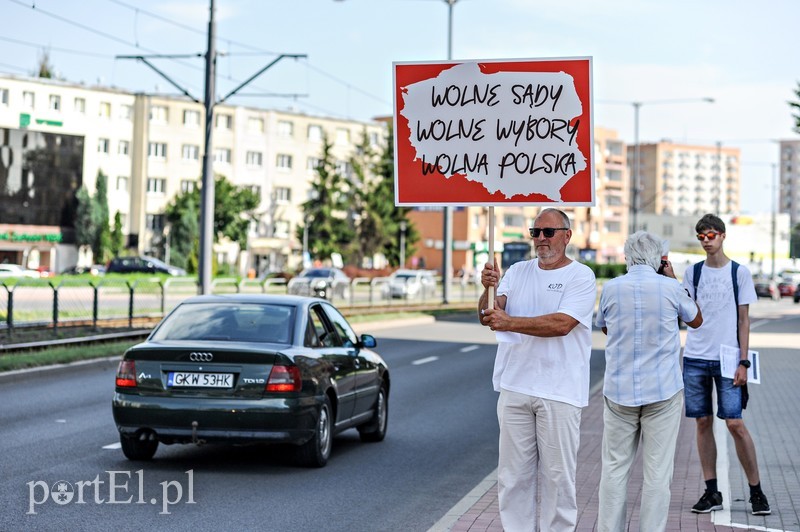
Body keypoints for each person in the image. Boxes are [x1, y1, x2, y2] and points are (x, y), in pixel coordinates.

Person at [478, 208, 597, 532]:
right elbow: (490, 314)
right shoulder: (517, 271)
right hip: (515, 385)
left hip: (560, 391)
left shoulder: (581, 276)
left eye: (548, 232)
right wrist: (486, 289)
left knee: (558, 478)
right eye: (535, 232)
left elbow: (562, 324)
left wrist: (510, 321)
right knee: (513, 477)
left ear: (567, 235)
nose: (540, 239)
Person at [595, 231, 703, 532]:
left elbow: (603, 326)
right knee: (657, 475)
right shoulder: (670, 288)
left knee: (615, 469)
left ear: (627, 257)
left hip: (618, 391)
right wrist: (673, 279)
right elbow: (696, 320)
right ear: (660, 259)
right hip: (663, 392)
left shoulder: (612, 288)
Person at [677, 213, 771, 515]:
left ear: (723, 236)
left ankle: (756, 491)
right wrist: (668, 278)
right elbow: (685, 310)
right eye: (701, 236)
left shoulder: (738, 273)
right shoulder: (693, 272)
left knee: (735, 423)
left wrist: (744, 361)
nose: (707, 240)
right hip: (694, 358)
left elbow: (744, 321)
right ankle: (712, 491)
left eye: (711, 234)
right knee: (702, 422)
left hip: (728, 360)